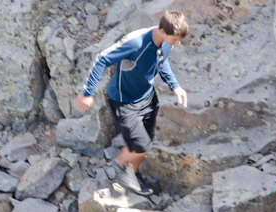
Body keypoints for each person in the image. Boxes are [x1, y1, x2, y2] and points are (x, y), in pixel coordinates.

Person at [73, 10, 189, 195]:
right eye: (175, 39)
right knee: (141, 146)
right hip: (123, 100)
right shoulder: (136, 43)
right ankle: (119, 164)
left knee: (145, 142)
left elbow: (161, 61)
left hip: (147, 97)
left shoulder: (167, 42)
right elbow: (101, 59)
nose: (178, 43)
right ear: (162, 30)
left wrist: (175, 86)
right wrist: (88, 93)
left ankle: (131, 175)